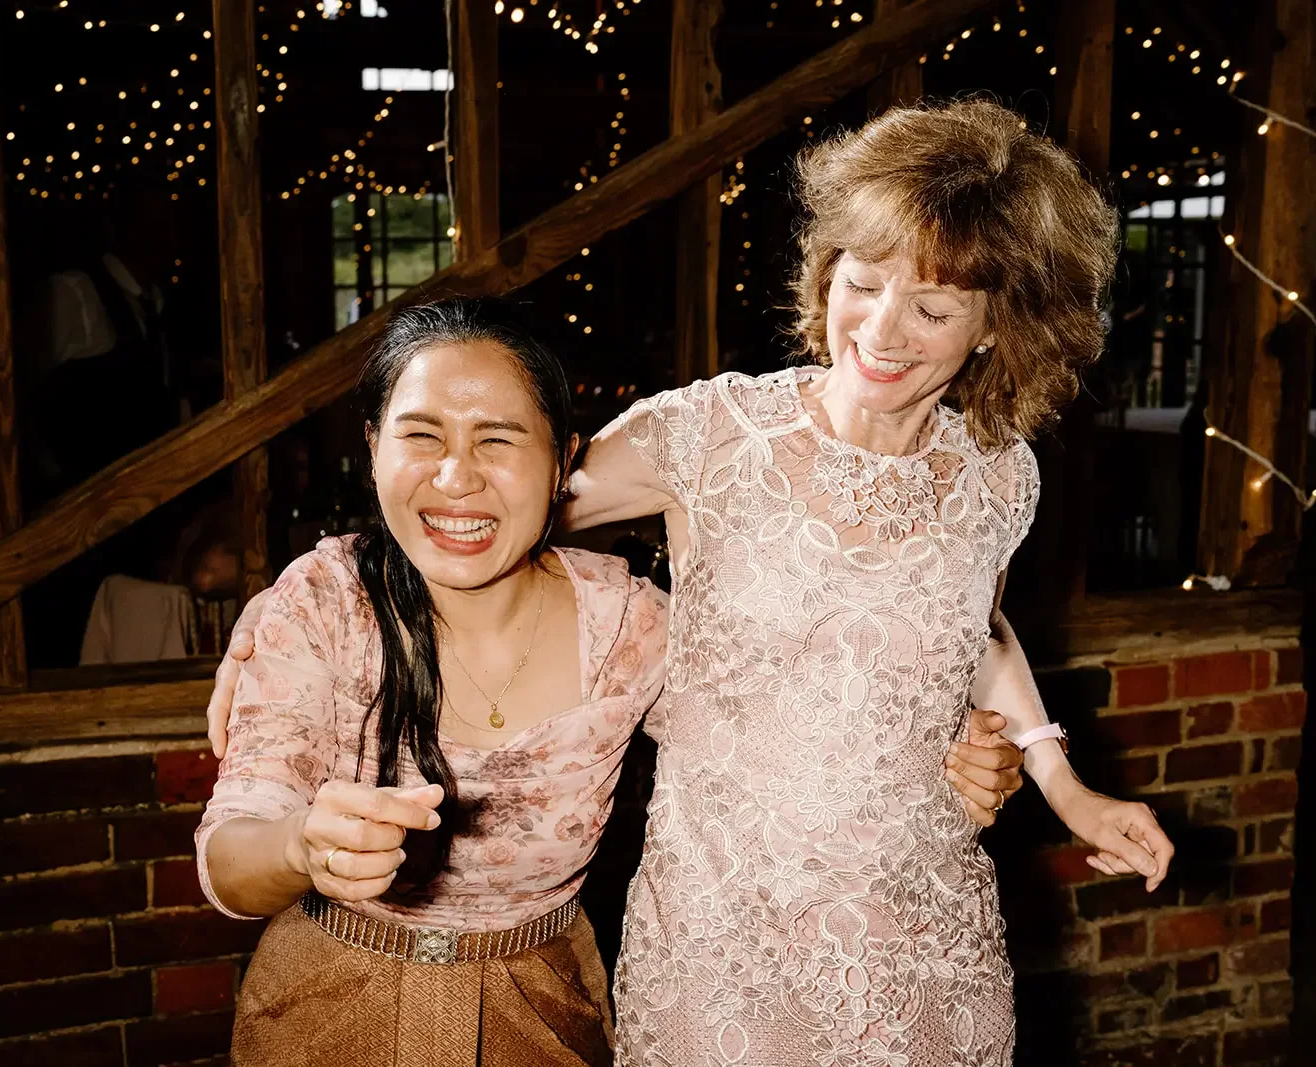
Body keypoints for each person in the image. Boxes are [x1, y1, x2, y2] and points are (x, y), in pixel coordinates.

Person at [209, 100, 1169, 1065]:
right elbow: (488, 503)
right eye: (861, 282)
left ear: (998, 323)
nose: (880, 330)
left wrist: (1064, 783)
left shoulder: (999, 475)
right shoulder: (711, 437)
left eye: (930, 308)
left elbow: (981, 631)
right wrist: (317, 591)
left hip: (915, 917)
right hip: (725, 934)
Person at [197, 299, 669, 1065]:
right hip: (326, 1015)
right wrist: (299, 847)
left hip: (544, 1018)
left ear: (561, 460)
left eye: (498, 439)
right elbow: (228, 856)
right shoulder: (324, 604)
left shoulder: (627, 625)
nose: (456, 477)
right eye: (421, 436)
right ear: (374, 447)